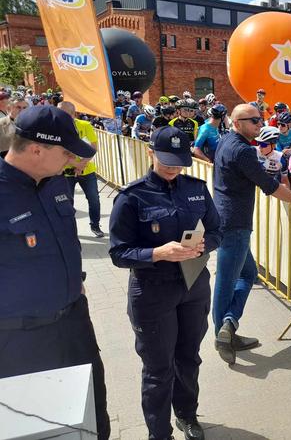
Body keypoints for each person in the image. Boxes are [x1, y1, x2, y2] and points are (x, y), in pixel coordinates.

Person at [0, 105, 110, 439]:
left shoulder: (55, 183)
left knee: (93, 415)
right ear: (36, 149)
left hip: (74, 324)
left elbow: (66, 242)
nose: (72, 160)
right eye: (66, 152)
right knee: (40, 429)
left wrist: (76, 281)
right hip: (22, 340)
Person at [109, 126, 221, 440]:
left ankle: (187, 415)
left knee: (188, 357)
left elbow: (216, 230)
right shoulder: (132, 197)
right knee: (159, 369)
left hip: (193, 284)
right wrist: (156, 253)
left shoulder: (197, 189)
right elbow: (119, 253)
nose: (172, 167)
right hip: (153, 291)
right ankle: (159, 433)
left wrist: (204, 245)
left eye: (179, 161)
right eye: (165, 159)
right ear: (150, 153)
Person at [212, 104, 291, 365]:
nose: (260, 124)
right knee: (227, 280)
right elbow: (271, 187)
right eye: (253, 120)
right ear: (237, 123)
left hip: (225, 220)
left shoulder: (226, 141)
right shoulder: (243, 150)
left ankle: (227, 328)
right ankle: (224, 330)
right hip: (235, 224)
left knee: (247, 274)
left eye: (260, 119)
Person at [57, 101, 105, 238]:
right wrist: (75, 164)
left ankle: (95, 225)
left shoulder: (85, 125)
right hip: (66, 172)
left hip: (87, 171)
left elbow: (93, 148)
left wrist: (82, 164)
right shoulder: (54, 128)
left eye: (63, 113)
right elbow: (56, 152)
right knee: (67, 202)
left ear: (73, 114)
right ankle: (69, 229)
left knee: (94, 199)